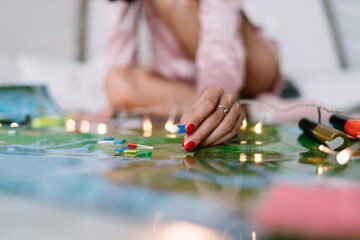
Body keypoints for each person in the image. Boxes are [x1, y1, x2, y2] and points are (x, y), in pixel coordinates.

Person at [105, 0, 280, 151]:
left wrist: (215, 89)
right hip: (184, 80)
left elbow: (220, 49)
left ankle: (219, 101)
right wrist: (111, 106)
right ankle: (240, 108)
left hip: (251, 65)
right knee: (115, 83)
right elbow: (120, 50)